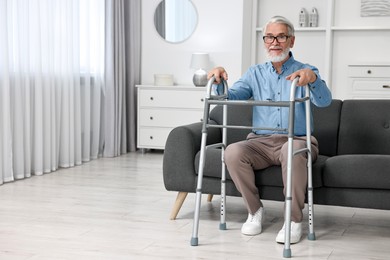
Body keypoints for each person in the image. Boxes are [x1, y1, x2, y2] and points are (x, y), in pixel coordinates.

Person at [207, 16, 332, 244]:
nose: (275, 42)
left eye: (281, 36)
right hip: (260, 142)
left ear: (291, 41)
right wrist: (218, 80)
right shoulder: (254, 73)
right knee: (233, 152)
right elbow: (230, 96)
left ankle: (293, 220)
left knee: (291, 151)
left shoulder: (305, 70)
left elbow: (324, 101)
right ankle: (254, 211)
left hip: (297, 139)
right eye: (269, 37)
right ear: (264, 41)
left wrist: (313, 79)